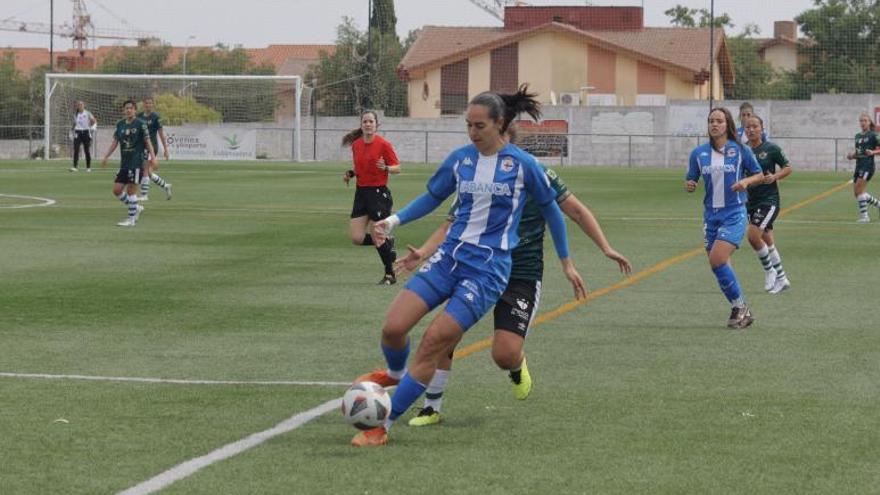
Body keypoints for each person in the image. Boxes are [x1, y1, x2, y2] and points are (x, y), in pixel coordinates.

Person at [350, 85, 578, 447]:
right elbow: (432, 197)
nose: (472, 133)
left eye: (479, 126)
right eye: (468, 125)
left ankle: (384, 424)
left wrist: (567, 262)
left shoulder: (523, 165)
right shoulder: (460, 159)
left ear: (499, 124)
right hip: (449, 258)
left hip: (488, 270)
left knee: (433, 342)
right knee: (393, 328)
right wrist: (392, 222)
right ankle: (395, 373)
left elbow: (554, 210)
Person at [399, 159, 632, 427]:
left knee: (504, 355)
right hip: (478, 270)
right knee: (443, 336)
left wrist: (603, 249)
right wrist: (424, 252)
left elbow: (576, 211)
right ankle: (431, 407)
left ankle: (516, 364)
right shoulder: (479, 175)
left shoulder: (537, 175)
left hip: (521, 276)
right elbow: (450, 224)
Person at [686, 107, 765, 329]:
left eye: (719, 121)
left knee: (717, 259)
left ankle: (741, 308)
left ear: (727, 124)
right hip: (710, 216)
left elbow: (760, 174)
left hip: (735, 213)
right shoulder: (699, 153)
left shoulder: (740, 150)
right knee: (717, 265)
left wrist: (745, 183)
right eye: (711, 120)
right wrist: (690, 184)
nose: (714, 124)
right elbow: (690, 179)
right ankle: (740, 308)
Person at [341, 110, 401, 285]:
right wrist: (351, 174)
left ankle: (390, 274)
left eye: (371, 121)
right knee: (357, 238)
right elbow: (359, 168)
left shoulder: (384, 144)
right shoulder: (357, 145)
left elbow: (398, 168)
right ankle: (387, 242)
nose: (368, 124)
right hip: (361, 194)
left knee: (377, 235)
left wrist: (386, 168)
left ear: (376, 125)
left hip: (378, 194)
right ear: (361, 124)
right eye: (365, 121)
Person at [743, 115, 792, 294]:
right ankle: (782, 278)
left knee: (753, 235)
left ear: (762, 128)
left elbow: (788, 167)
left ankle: (769, 270)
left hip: (769, 200)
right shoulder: (744, 150)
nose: (751, 130)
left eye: (755, 126)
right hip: (751, 201)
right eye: (748, 127)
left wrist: (775, 176)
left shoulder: (771, 149)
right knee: (767, 240)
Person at [100, 100, 156, 227]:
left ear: (135, 110)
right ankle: (136, 207)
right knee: (117, 190)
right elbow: (115, 142)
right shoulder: (120, 124)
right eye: (126, 108)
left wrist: (153, 157)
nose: (128, 110)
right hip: (124, 163)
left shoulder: (141, 124)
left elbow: (148, 141)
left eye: (131, 108)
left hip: (136, 162)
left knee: (131, 191)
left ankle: (131, 220)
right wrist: (106, 156)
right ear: (123, 110)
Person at [136, 97, 172, 201]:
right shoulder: (139, 117)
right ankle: (165, 186)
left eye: (150, 103)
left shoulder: (156, 117)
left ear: (153, 104)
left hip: (151, 146)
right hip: (141, 146)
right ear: (143, 104)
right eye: (146, 103)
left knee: (145, 170)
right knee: (147, 171)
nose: (148, 105)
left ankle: (144, 195)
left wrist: (166, 149)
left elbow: (161, 134)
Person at [846, 113, 880, 223]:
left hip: (868, 166)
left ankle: (865, 217)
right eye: (861, 121)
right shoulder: (857, 136)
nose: (863, 123)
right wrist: (852, 156)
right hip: (859, 166)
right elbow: (859, 152)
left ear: (869, 122)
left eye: (865, 120)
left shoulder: (873, 135)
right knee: (857, 193)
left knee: (859, 190)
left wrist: (873, 152)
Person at [70, 100, 97, 172]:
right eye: (78, 105)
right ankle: (75, 167)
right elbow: (74, 123)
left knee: (86, 150)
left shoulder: (88, 113)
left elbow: (94, 120)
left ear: (84, 105)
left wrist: (91, 127)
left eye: (81, 105)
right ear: (77, 107)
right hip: (77, 132)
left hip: (86, 132)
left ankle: (88, 167)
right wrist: (71, 130)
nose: (80, 106)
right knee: (76, 149)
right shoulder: (76, 114)